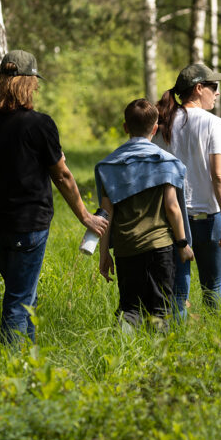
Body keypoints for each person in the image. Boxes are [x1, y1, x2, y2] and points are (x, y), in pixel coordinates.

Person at [0, 50, 108, 344]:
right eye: (34, 83)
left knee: (21, 291)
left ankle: (30, 364)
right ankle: (13, 372)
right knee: (19, 299)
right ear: (28, 84)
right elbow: (63, 175)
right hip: (27, 223)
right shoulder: (39, 124)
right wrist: (86, 216)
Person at [95, 99, 195, 328]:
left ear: (125, 127)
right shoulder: (166, 162)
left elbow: (105, 215)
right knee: (161, 309)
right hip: (160, 247)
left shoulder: (110, 166)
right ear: (155, 128)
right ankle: (158, 358)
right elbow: (172, 207)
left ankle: (124, 348)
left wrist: (104, 255)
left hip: (126, 248)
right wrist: (182, 244)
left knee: (130, 308)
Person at [155, 63, 221, 317]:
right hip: (208, 218)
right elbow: (219, 174)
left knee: (178, 291)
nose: (217, 93)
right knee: (213, 287)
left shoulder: (163, 122)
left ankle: (176, 348)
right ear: (199, 89)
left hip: (172, 218)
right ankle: (217, 344)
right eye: (214, 87)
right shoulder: (213, 123)